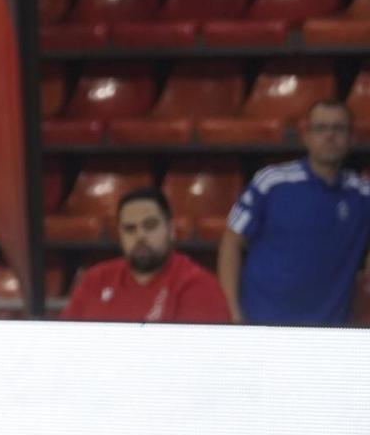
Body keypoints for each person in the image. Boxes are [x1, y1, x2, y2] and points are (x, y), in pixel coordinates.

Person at [219, 100, 370, 326]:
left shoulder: (362, 194)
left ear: (351, 138)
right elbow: (231, 242)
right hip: (260, 324)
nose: (330, 136)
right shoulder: (271, 182)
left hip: (327, 334)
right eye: (320, 128)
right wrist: (233, 314)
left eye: (338, 128)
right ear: (306, 136)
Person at [63, 187, 231, 323]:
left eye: (150, 225)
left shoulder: (199, 286)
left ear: (171, 230)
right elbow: (67, 345)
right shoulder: (95, 280)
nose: (140, 236)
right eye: (130, 229)